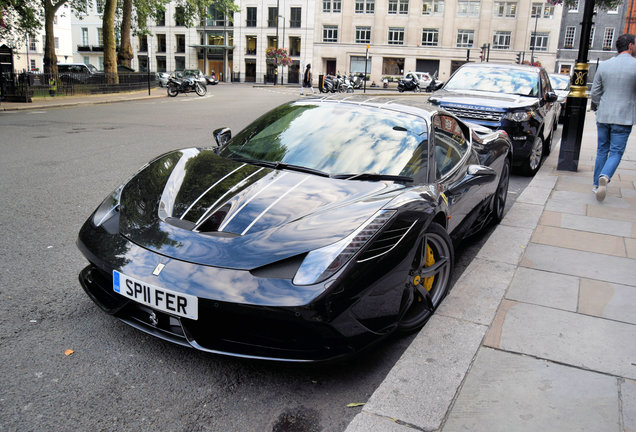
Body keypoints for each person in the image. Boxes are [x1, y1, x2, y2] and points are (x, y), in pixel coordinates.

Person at [590, 33, 636, 202]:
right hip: (623, 117)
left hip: (603, 116)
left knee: (602, 149)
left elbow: (595, 92)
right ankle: (605, 175)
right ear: (630, 45)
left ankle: (596, 185)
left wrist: (600, 105)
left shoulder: (604, 65)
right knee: (616, 151)